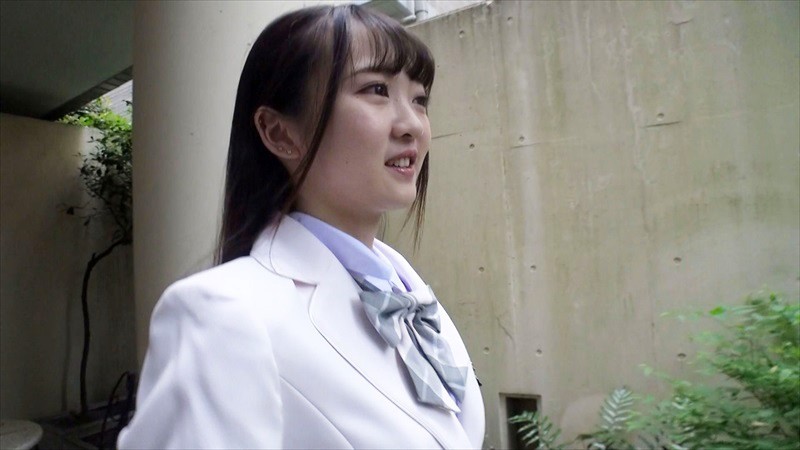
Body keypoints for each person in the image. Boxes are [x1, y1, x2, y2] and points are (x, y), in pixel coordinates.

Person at [118, 4, 484, 449]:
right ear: (279, 133)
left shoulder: (408, 292)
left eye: (420, 99)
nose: (412, 126)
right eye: (376, 90)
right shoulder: (222, 315)